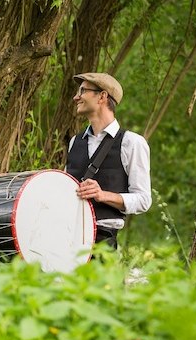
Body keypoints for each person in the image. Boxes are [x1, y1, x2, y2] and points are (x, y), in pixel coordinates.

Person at [65, 72, 152, 250]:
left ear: (102, 96)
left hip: (104, 243)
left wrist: (102, 195)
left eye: (82, 91)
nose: (76, 97)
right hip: (68, 240)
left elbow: (143, 200)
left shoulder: (132, 142)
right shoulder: (75, 141)